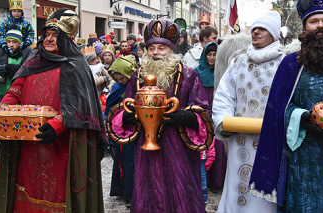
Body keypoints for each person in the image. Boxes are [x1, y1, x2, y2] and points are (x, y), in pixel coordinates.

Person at [0, 8, 106, 212]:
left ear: (67, 39)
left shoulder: (76, 66)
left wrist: (57, 125)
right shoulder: (33, 62)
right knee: (27, 191)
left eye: (55, 35)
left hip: (62, 146)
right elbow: (15, 94)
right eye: (47, 35)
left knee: (58, 196)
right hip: (30, 145)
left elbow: (81, 106)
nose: (49, 40)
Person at [249, 0, 323, 212]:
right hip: (302, 159)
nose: (320, 26)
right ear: (305, 27)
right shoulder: (290, 64)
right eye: (314, 21)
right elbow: (277, 110)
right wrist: (301, 118)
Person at [109, 20, 211, 212]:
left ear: (171, 50)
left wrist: (186, 117)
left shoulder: (188, 75)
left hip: (179, 147)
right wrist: (128, 116)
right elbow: (124, 106)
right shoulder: (137, 76)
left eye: (162, 48)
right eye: (151, 48)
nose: (155, 53)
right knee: (148, 191)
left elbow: (203, 110)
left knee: (181, 192)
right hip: (145, 151)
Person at [213, 11, 285, 213]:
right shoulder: (239, 61)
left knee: (267, 187)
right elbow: (224, 94)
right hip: (240, 139)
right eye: (254, 28)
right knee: (239, 185)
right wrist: (222, 121)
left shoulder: (284, 63)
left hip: (271, 141)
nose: (256, 32)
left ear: (273, 33)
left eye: (262, 29)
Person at [106, 56, 138, 207]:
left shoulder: (138, 84)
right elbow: (110, 108)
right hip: (123, 129)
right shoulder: (117, 88)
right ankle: (126, 192)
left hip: (137, 128)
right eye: (117, 79)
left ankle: (133, 191)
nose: (121, 82)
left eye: (123, 78)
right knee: (125, 161)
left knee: (134, 161)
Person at [0, 24, 33, 105]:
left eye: (14, 42)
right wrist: (5, 68)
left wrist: (18, 71)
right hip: (3, 95)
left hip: (22, 96)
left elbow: (32, 71)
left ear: (20, 42)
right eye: (8, 41)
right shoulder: (0, 52)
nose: (11, 45)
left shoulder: (27, 52)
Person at [194, 42, 218, 204]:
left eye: (215, 54)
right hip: (202, 114)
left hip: (217, 113)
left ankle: (214, 182)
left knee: (216, 149)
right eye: (209, 54)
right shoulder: (197, 71)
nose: (211, 58)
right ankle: (201, 186)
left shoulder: (221, 70)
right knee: (202, 150)